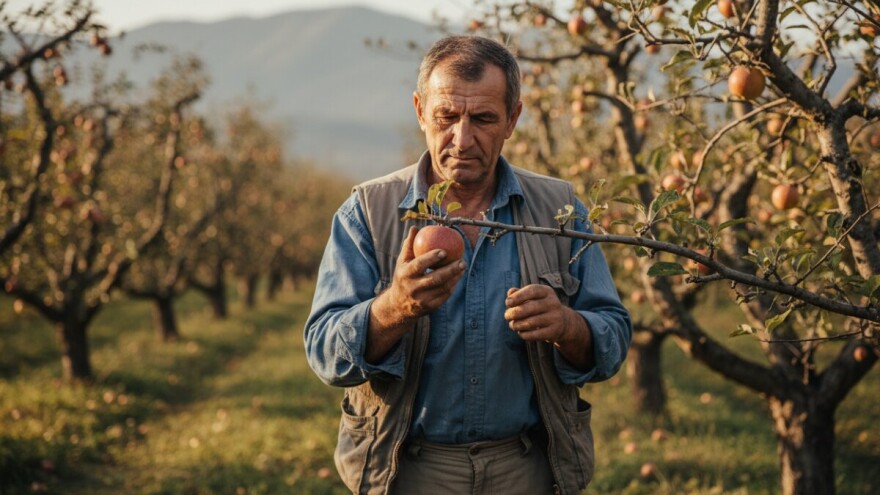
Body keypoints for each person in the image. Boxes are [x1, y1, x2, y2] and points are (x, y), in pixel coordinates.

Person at [304, 35, 631, 495]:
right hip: (408, 469)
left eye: (483, 119)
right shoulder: (369, 212)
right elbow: (324, 353)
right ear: (420, 112)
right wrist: (394, 308)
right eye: (445, 117)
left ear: (512, 119)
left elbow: (613, 338)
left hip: (526, 467)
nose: (462, 138)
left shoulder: (558, 210)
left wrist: (567, 326)